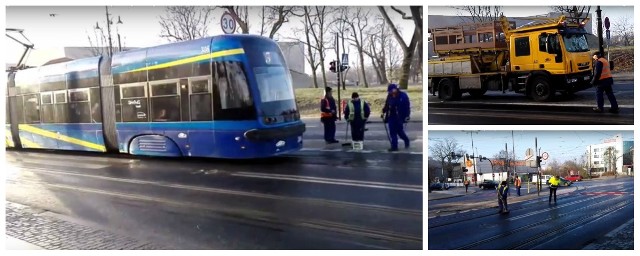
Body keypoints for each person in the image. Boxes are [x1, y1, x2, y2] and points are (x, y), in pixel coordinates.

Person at [381, 83, 410, 152]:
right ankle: (394, 147)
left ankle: (406, 140)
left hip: (400, 116)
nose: (390, 92)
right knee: (392, 131)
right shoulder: (389, 96)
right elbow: (387, 105)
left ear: (395, 89)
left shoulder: (403, 96)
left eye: (391, 91)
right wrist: (383, 111)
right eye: (389, 91)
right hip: (391, 116)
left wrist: (407, 116)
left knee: (399, 132)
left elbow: (407, 107)